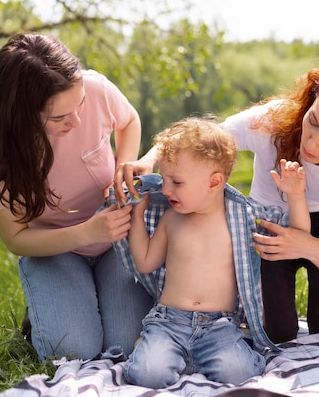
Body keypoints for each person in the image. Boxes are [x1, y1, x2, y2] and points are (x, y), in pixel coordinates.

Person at [114, 63, 319, 344]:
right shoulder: (273, 122)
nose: (313, 143)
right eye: (314, 121)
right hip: (268, 226)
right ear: (312, 101)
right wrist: (148, 159)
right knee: (275, 333)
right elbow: (201, 140)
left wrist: (306, 245)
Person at [0, 32, 153, 361]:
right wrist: (87, 232)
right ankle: (49, 302)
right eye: (58, 117)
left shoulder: (94, 88)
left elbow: (129, 121)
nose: (77, 121)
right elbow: (16, 239)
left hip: (117, 242)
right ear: (21, 115)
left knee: (126, 346)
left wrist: (123, 165)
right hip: (55, 251)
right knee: (72, 352)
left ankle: (87, 294)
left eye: (79, 105)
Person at [121, 117, 309, 388]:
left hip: (220, 327)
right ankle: (159, 352)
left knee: (241, 374)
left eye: (176, 181)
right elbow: (145, 262)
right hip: (169, 322)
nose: (165, 189)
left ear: (214, 182)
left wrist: (296, 196)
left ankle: (194, 359)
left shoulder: (243, 219)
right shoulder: (171, 219)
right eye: (164, 179)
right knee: (148, 374)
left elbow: (297, 235)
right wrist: (137, 219)